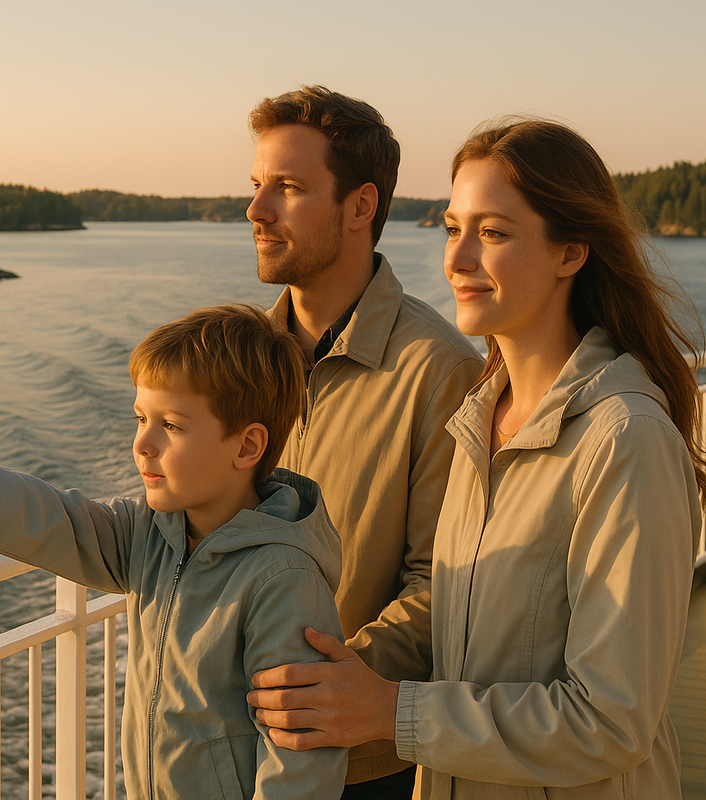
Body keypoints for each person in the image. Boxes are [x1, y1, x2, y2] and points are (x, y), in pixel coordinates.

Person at [247, 118, 706, 799]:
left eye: (493, 234)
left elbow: (612, 720)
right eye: (451, 228)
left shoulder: (625, 440)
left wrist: (389, 710)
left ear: (571, 251)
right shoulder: (479, 422)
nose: (457, 259)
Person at [0, 304, 348, 800]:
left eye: (171, 426)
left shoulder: (283, 577)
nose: (143, 444)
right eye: (141, 418)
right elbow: (47, 516)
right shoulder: (153, 533)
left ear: (247, 447)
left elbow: (301, 761)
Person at [246, 85, 483, 798]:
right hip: (234, 745)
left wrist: (321, 684)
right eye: (257, 187)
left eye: (287, 189)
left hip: (357, 762)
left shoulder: (442, 370)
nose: (256, 211)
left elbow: (444, 584)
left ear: (360, 206)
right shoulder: (240, 361)